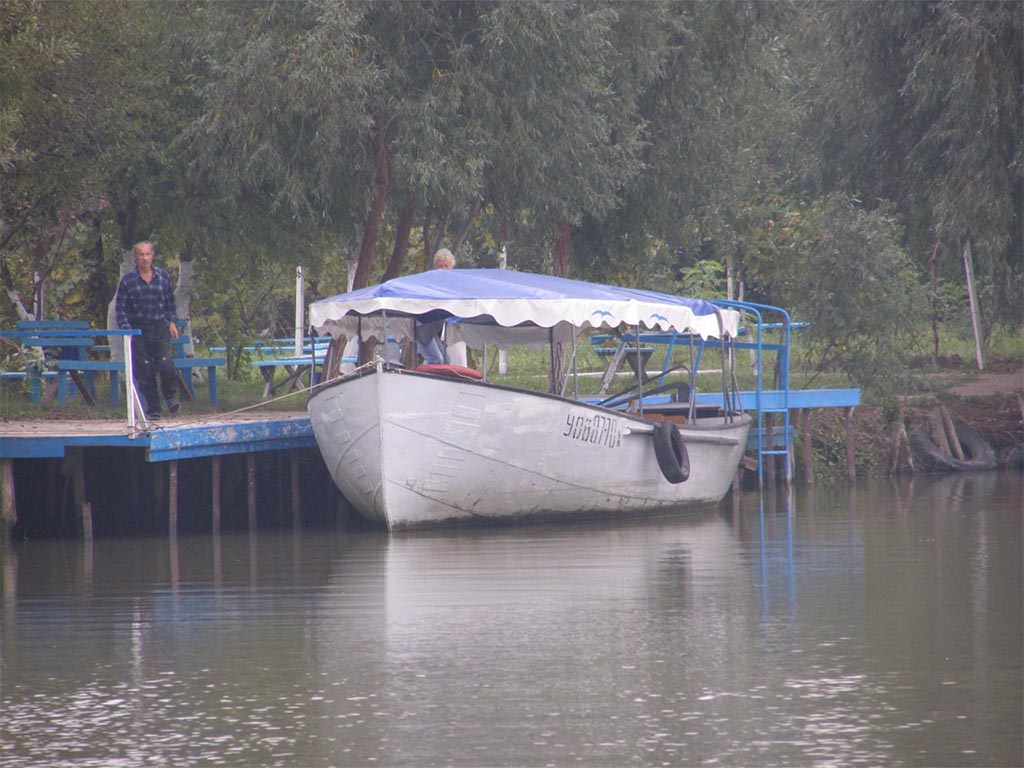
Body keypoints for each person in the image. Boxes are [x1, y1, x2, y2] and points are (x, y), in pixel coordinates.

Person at [115, 241, 180, 418]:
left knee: (166, 365)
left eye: (147, 254)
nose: (145, 258)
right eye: (141, 255)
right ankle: (154, 409)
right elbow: (120, 309)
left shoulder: (163, 276)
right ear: (135, 257)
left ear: (152, 255)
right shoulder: (128, 281)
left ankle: (171, 396)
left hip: (159, 327)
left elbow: (170, 304)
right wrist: (126, 329)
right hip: (138, 330)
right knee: (145, 371)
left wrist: (173, 322)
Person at [415, 249, 456, 364]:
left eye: (445, 266)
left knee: (446, 361)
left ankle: (442, 382)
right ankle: (424, 381)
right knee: (436, 359)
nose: (442, 269)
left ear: (451, 267)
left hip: (432, 329)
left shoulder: (452, 285)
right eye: (440, 266)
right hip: (422, 327)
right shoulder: (431, 284)